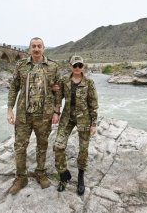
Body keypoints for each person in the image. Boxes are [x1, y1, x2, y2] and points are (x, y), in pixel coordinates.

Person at [6, 37, 61, 195]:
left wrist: (57, 111)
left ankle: (41, 173)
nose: (36, 49)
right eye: (33, 46)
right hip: (24, 115)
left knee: (42, 146)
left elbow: (58, 91)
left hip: (44, 115)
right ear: (29, 49)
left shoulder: (53, 66)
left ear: (44, 48)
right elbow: (13, 88)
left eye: (39, 46)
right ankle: (21, 178)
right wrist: (10, 110)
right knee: (20, 146)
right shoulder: (21, 65)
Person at [53, 55, 98, 195]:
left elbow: (93, 104)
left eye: (80, 65)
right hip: (67, 117)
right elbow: (58, 98)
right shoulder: (64, 80)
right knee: (58, 146)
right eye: (75, 65)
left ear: (83, 67)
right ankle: (63, 175)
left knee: (83, 149)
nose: (77, 68)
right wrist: (56, 113)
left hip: (84, 118)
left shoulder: (89, 82)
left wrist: (94, 123)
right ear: (70, 66)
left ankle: (80, 178)